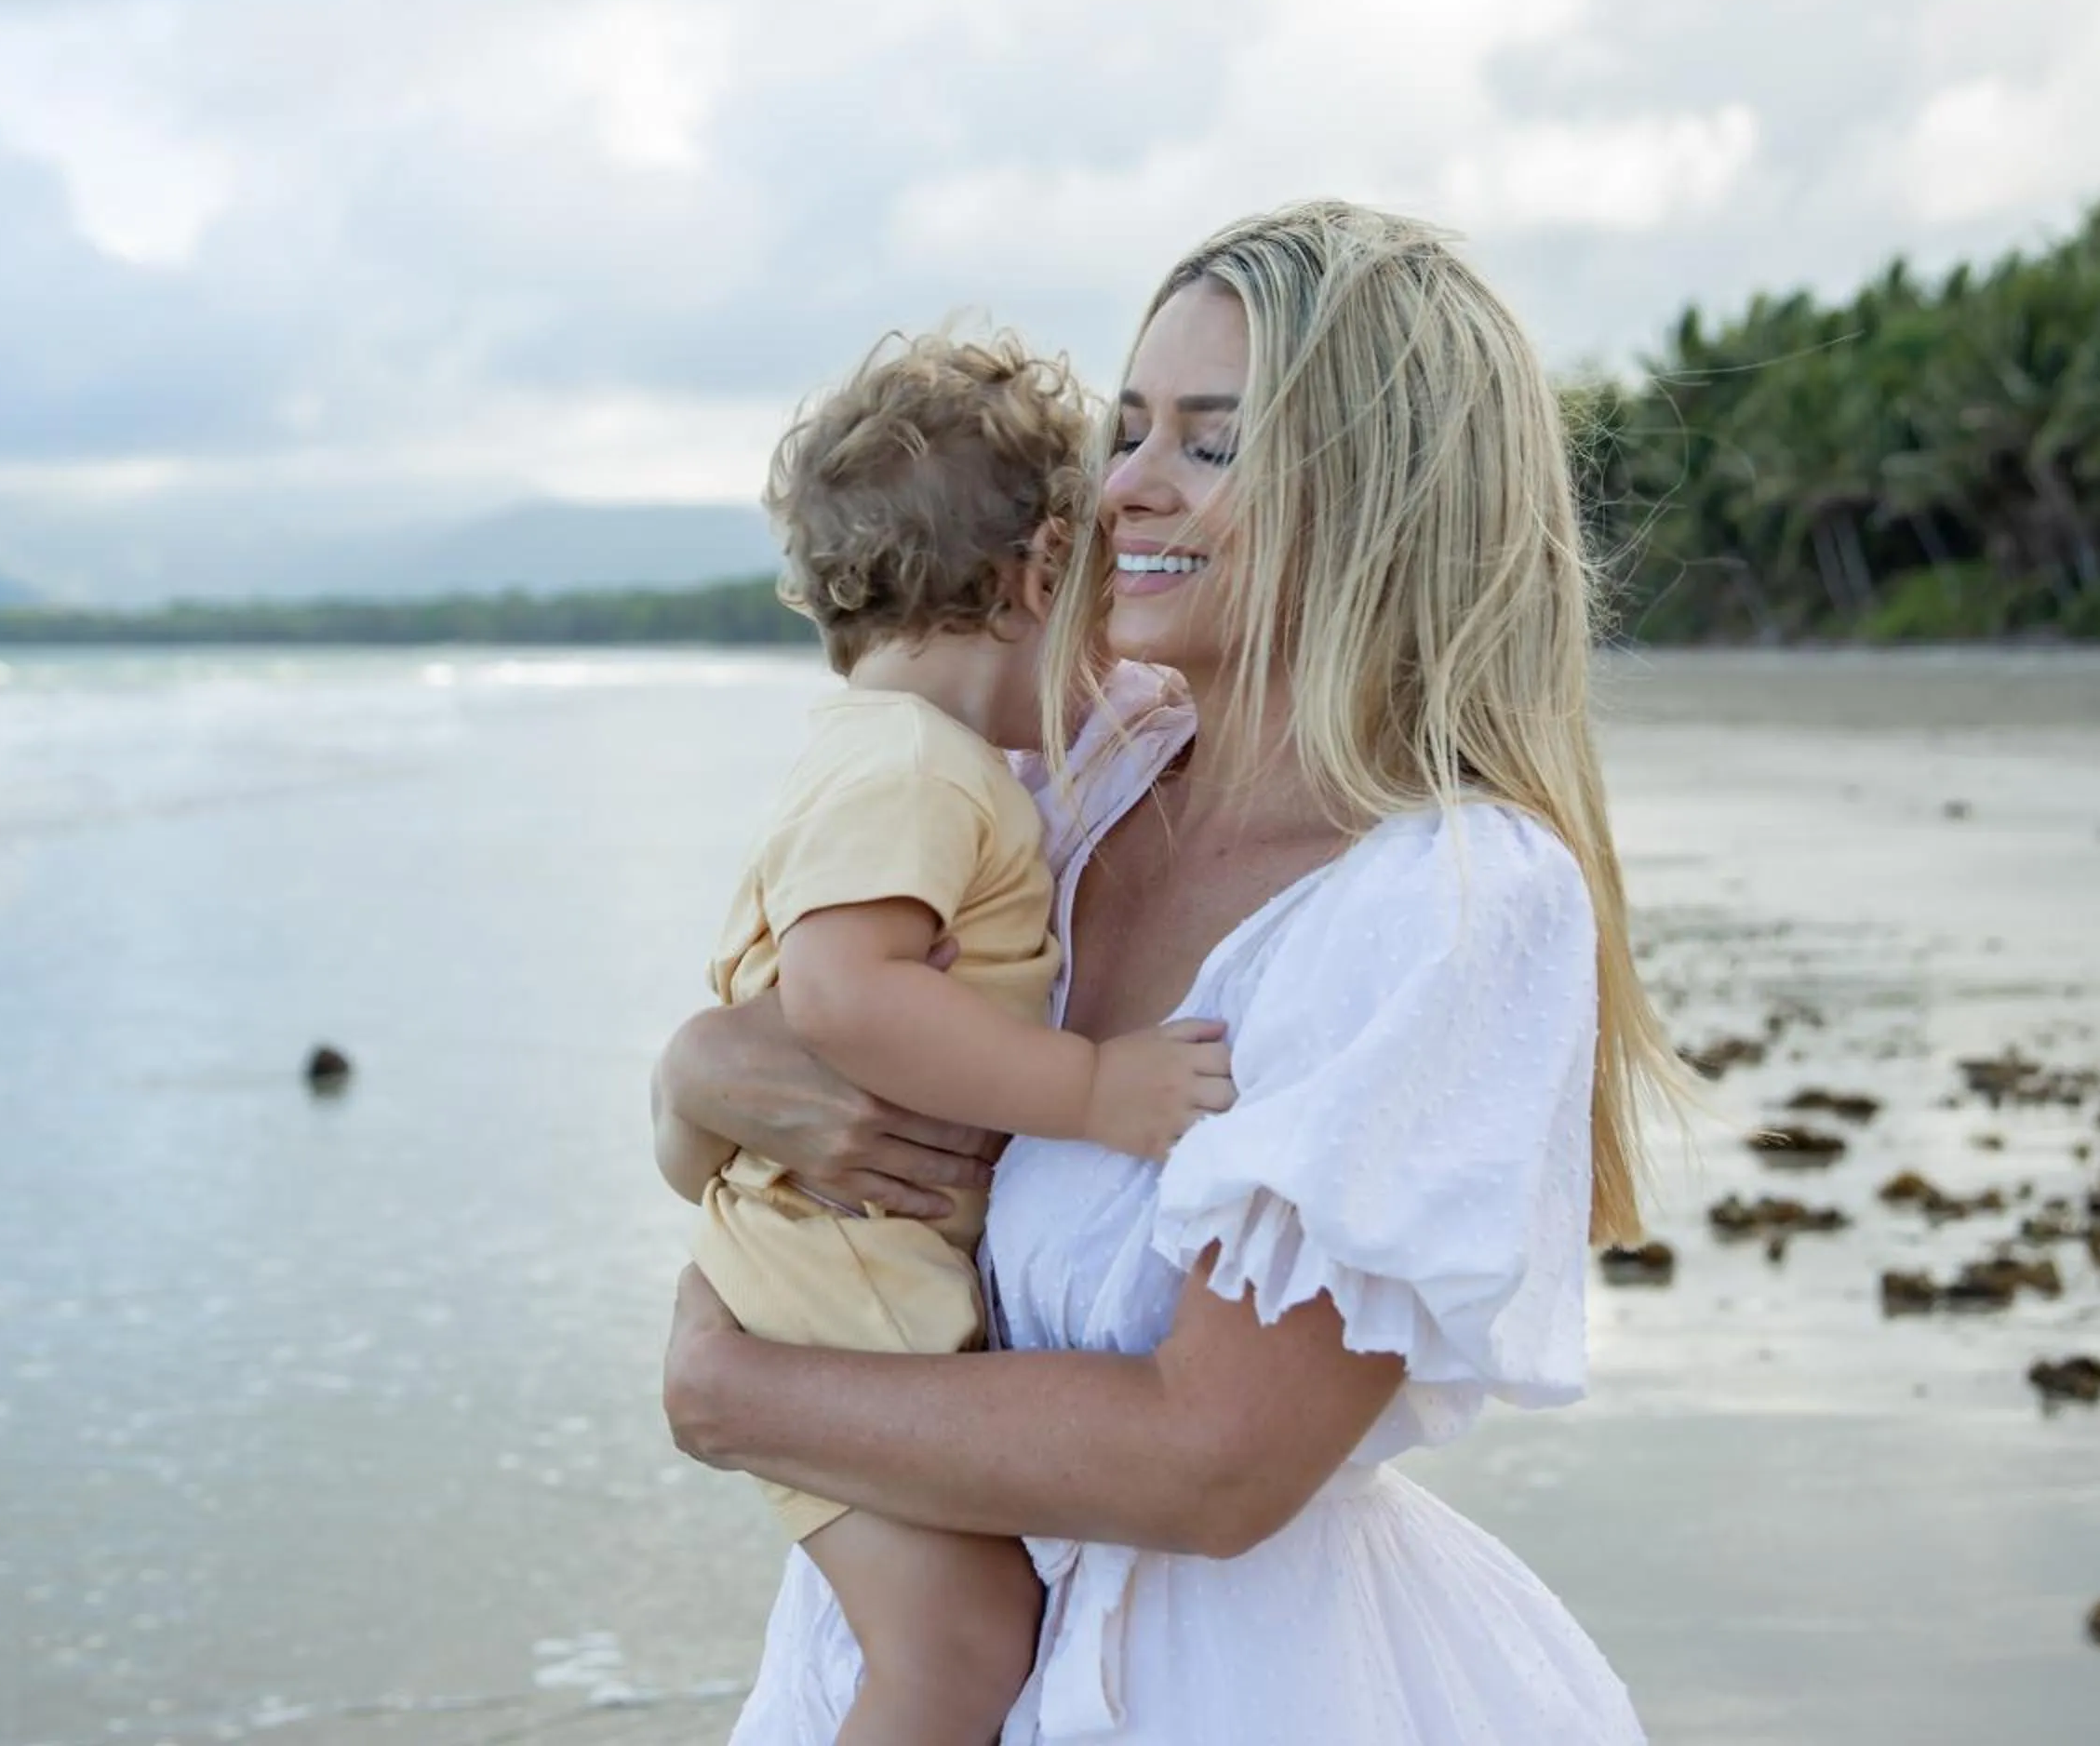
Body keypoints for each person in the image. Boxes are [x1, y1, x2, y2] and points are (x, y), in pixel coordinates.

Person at [656, 200, 1682, 1742]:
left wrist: (741, 1401)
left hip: (1225, 1685)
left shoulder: (1448, 897)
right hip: (901, 1650)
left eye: (1212, 443)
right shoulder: (1073, 781)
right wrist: (692, 1073)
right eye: (1127, 430)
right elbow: (794, 1072)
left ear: (1384, 497)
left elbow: (1217, 1463)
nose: (1124, 485)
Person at [679, 329, 1238, 1746]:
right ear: (1043, 574)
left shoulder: (911, 752)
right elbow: (842, 996)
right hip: (842, 1260)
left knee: (958, 1633)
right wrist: (1093, 1089)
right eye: (1098, 600)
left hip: (838, 1248)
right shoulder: (915, 768)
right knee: (961, 1646)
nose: (1109, 656)